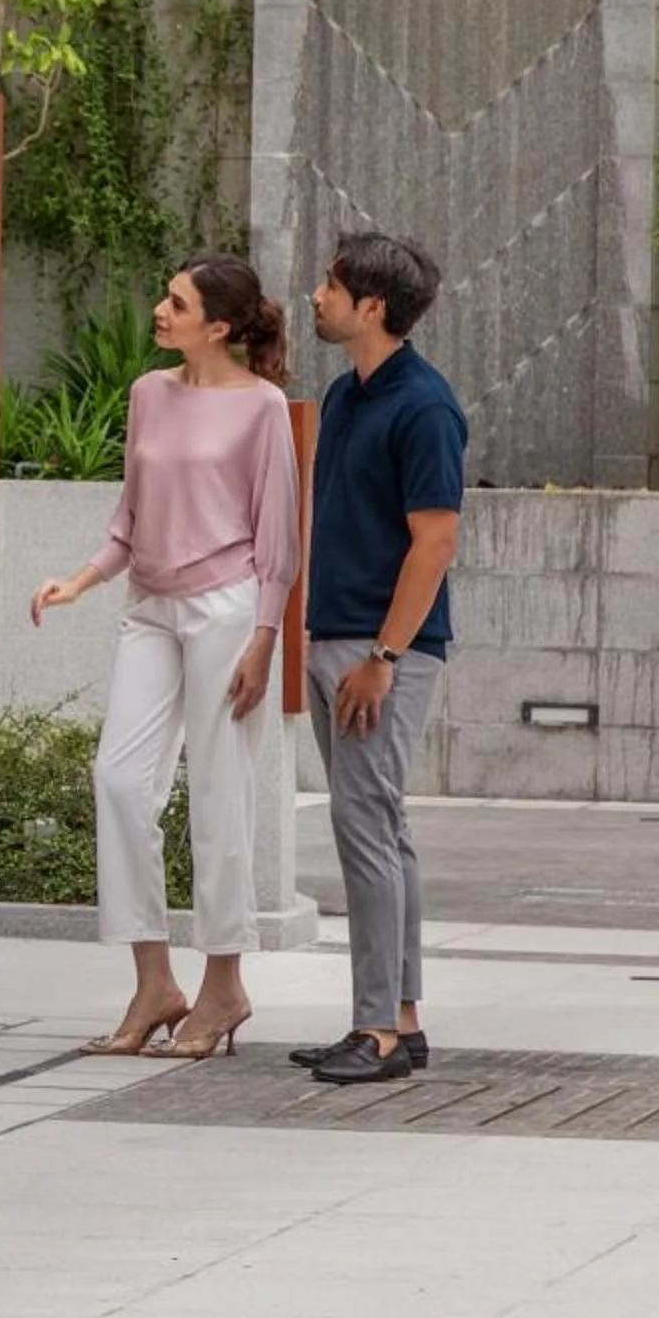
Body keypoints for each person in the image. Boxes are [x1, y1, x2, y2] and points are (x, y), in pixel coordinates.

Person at [31, 256, 298, 1060]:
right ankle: (155, 982)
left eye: (175, 302)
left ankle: (224, 986)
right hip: (149, 605)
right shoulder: (150, 393)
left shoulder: (264, 409)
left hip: (227, 611)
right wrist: (78, 581)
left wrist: (265, 637)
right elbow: (128, 516)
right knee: (118, 777)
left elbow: (279, 539)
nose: (158, 309)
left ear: (218, 325)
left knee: (219, 797)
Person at [289, 232, 465, 1087]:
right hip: (339, 637)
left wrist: (385, 654)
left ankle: (378, 1034)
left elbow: (434, 542)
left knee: (366, 830)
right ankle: (398, 1019)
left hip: (383, 649)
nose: (317, 295)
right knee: (380, 830)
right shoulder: (345, 393)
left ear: (373, 308)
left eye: (332, 285)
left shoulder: (424, 406)